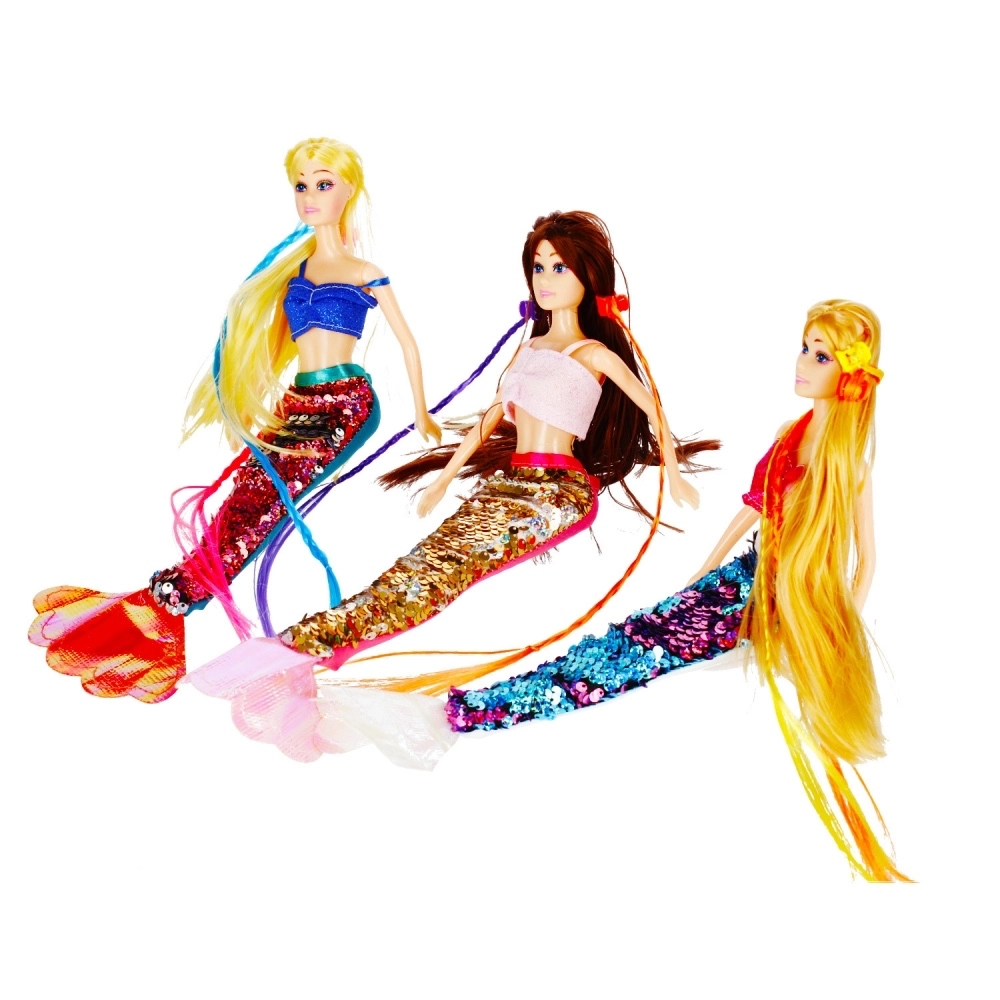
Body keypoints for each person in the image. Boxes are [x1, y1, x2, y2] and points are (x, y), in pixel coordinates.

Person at [189, 211, 718, 756]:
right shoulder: (531, 347)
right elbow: (494, 415)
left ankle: (304, 647)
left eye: (559, 267)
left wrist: (675, 473)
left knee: (442, 575)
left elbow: (650, 407)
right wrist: (443, 479)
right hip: (511, 482)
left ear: (587, 276)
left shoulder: (594, 354)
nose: (545, 278)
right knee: (419, 568)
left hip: (558, 493)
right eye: (538, 267)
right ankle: (307, 651)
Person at [445, 299, 907, 880]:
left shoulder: (847, 463)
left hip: (784, 600)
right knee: (633, 638)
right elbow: (753, 509)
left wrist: (840, 633)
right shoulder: (791, 434)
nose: (801, 362)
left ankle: (492, 708)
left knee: (640, 655)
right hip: (742, 578)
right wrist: (702, 573)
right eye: (804, 347)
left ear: (849, 373)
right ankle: (494, 701)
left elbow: (866, 562)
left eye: (821, 355)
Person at [28, 137, 441, 704]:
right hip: (300, 401)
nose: (309, 196)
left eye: (323, 185)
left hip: (345, 405)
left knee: (263, 504)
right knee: (246, 494)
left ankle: (177, 599)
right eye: (301, 185)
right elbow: (272, 342)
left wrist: (421, 411)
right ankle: (172, 597)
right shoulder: (294, 268)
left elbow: (408, 343)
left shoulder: (365, 270)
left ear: (349, 191)